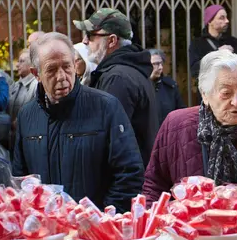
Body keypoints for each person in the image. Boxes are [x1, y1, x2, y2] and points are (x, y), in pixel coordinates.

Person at [13, 32, 144, 211]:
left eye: (66, 67)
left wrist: (101, 219)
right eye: (51, 70)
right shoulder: (26, 116)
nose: (61, 77)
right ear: (36, 74)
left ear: (75, 65)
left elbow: (129, 173)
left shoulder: (106, 106)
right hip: (47, 232)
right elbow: (22, 180)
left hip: (94, 232)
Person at [143, 50, 237, 211]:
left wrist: (230, 195)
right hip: (190, 231)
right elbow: (154, 186)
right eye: (226, 93)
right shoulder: (176, 126)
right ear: (205, 95)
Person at [74, 9, 159, 166]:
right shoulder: (127, 71)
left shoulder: (117, 78)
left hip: (124, 180)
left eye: (91, 35)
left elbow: (107, 137)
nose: (85, 41)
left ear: (112, 40)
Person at [188, 5, 237, 78]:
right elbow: (194, 71)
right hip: (209, 89)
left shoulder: (233, 42)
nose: (227, 21)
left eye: (226, 17)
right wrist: (217, 54)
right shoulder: (197, 44)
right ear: (210, 21)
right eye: (222, 18)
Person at [149, 49, 185, 125]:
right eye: (156, 64)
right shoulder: (141, 86)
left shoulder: (170, 86)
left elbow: (181, 112)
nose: (160, 67)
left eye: (161, 63)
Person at [9, 48, 38, 124]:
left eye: (21, 61)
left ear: (32, 65)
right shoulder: (16, 85)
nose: (17, 65)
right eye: (18, 61)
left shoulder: (37, 85)